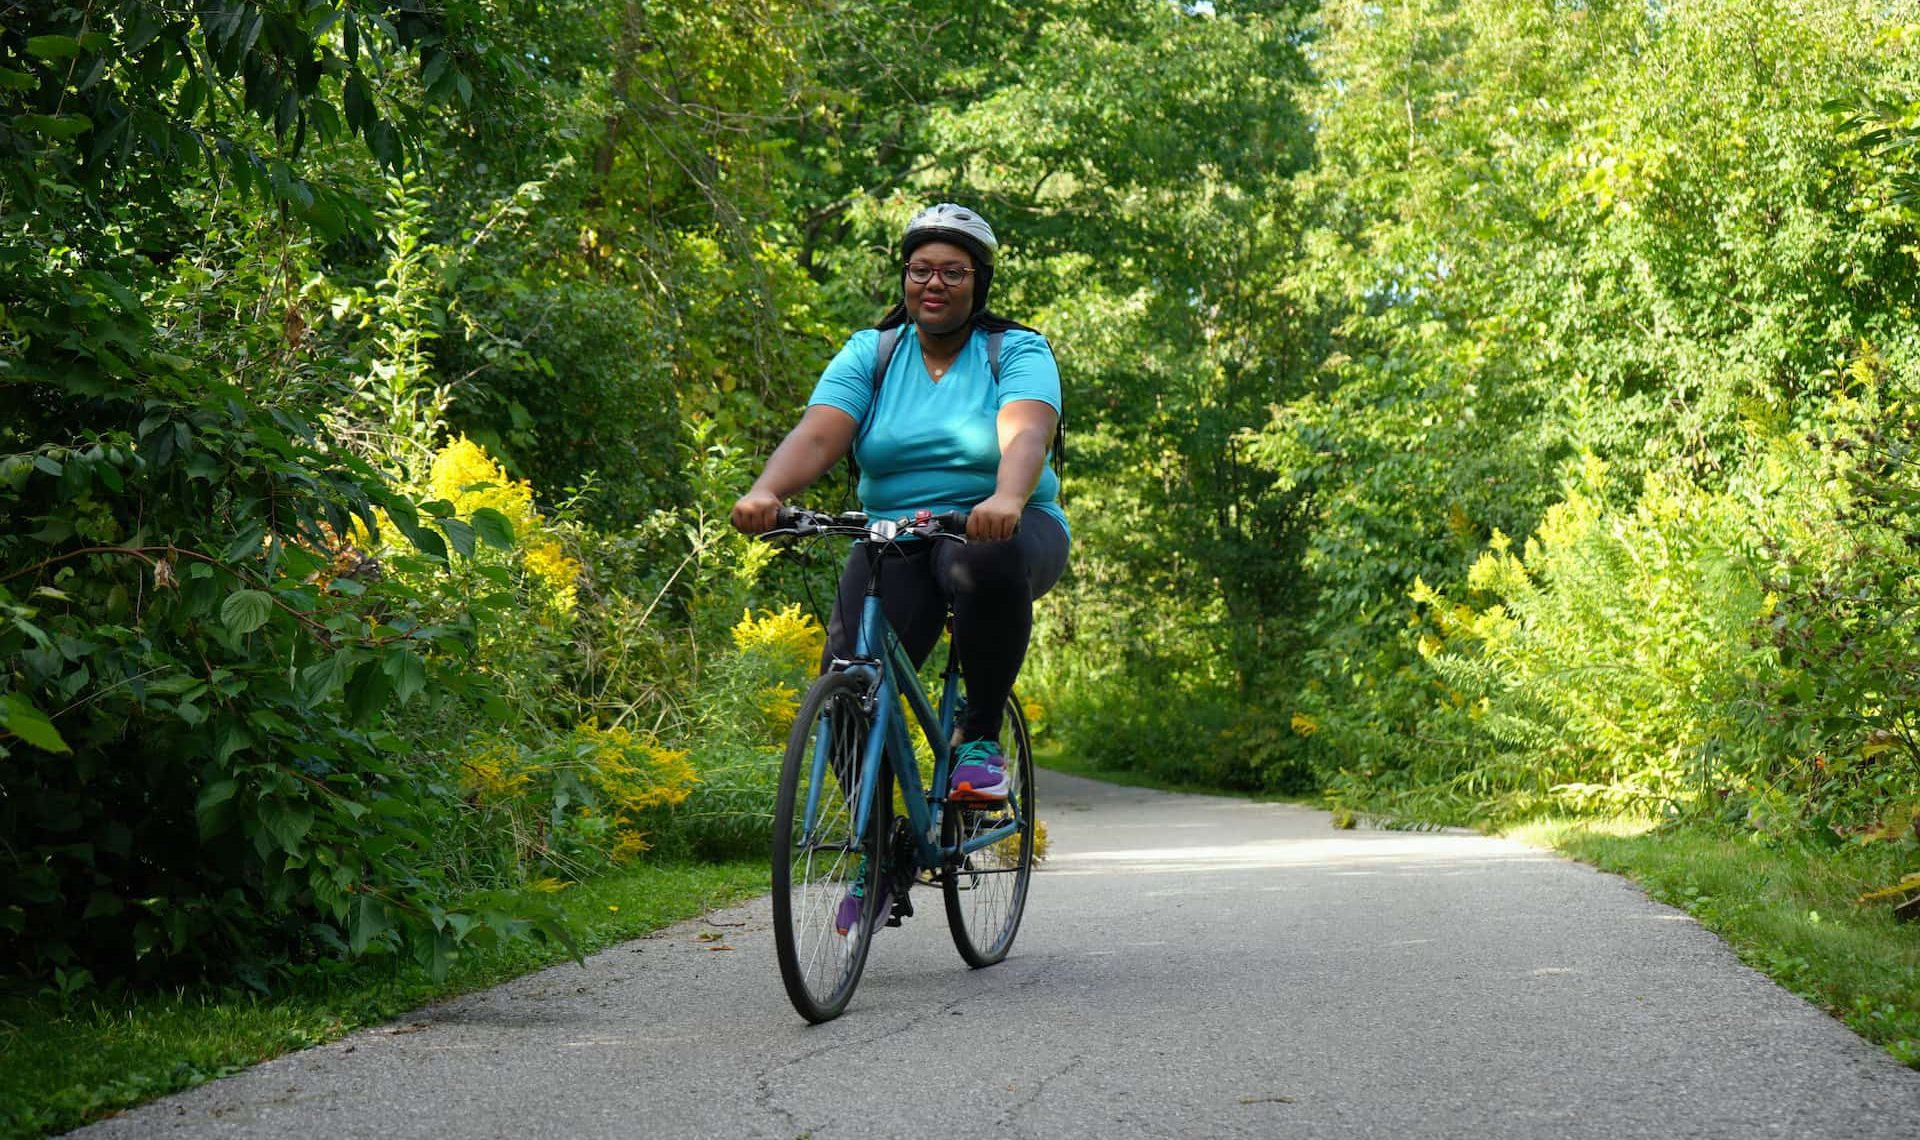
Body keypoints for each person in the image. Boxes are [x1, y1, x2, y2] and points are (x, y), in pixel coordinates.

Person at [731, 202, 1069, 811]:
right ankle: (882, 847)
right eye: (920, 270)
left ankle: (978, 739)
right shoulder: (874, 353)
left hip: (999, 528)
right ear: (905, 278)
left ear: (979, 282)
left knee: (983, 561)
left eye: (952, 272)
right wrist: (767, 492)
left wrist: (1006, 498)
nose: (933, 283)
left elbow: (1025, 434)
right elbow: (818, 433)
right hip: (896, 534)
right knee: (846, 689)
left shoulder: (1016, 350)